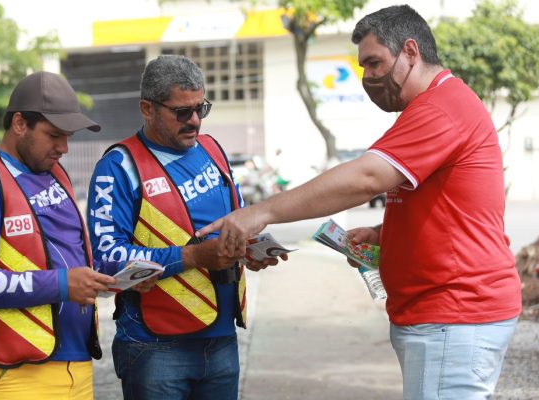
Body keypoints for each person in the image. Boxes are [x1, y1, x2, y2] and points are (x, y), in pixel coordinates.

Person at [198, 5, 521, 399]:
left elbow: (366, 178)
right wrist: (387, 234)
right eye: (363, 67)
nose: (367, 77)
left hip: (455, 311)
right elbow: (457, 208)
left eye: (374, 63)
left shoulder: (442, 106)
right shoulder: (430, 106)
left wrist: (260, 211)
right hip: (442, 314)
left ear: (410, 51)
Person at [86, 55, 283, 400]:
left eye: (201, 108)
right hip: (155, 347)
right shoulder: (118, 167)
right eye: (182, 112)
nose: (194, 121)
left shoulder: (212, 150)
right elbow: (106, 258)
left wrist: (249, 249)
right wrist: (192, 257)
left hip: (221, 337)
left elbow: (233, 221)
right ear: (147, 108)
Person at [0, 71, 122, 400]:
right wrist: (63, 285)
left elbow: (71, 256)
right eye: (54, 135)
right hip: (11, 373)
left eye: (67, 136)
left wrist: (115, 276)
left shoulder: (54, 173)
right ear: (20, 124)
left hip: (76, 365)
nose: (64, 148)